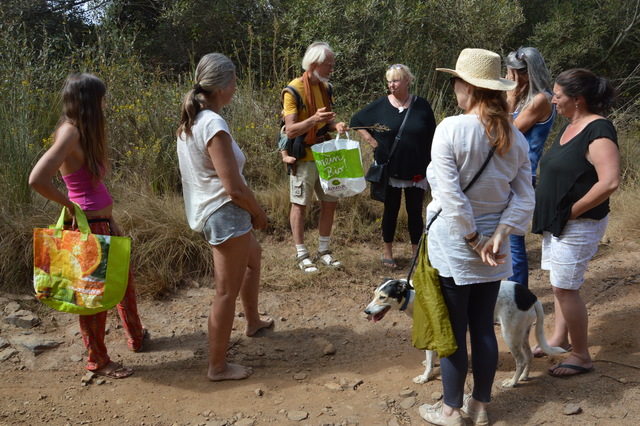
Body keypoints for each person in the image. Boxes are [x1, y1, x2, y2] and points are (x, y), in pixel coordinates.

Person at [419, 48, 535, 425]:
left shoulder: (451, 128)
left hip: (458, 245)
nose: (454, 88)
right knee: (483, 326)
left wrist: (473, 238)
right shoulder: (513, 136)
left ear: (467, 86)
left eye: (455, 81)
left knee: (454, 327)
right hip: (496, 251)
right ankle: (479, 406)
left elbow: (449, 195)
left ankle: (451, 410)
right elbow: (524, 195)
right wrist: (500, 234)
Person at [29, 73, 145, 379]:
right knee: (91, 297)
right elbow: (37, 178)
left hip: (102, 222)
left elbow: (92, 185)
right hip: (88, 227)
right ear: (90, 102)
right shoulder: (69, 133)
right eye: (102, 99)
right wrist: (69, 206)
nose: (105, 104)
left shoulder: (82, 131)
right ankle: (98, 360)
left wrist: (113, 220)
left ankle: (137, 336)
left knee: (123, 283)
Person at [176, 53, 273, 381]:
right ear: (225, 85)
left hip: (215, 213)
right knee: (224, 293)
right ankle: (217, 366)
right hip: (225, 214)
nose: (236, 87)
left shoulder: (193, 121)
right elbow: (233, 187)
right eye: (234, 81)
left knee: (254, 259)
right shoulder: (213, 124)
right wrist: (258, 212)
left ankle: (253, 321)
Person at [531, 68, 619, 376]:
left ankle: (581, 356)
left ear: (577, 99)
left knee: (566, 289)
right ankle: (559, 338)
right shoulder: (573, 125)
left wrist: (572, 211)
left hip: (577, 223)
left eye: (558, 95)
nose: (552, 100)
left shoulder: (599, 130)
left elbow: (609, 182)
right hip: (560, 221)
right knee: (559, 285)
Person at [350, 64, 436, 268]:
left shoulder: (421, 105)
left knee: (415, 211)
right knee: (391, 210)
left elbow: (432, 136)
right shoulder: (381, 104)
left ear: (407, 81)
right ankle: (387, 253)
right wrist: (372, 142)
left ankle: (416, 253)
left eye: (396, 80)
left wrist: (432, 164)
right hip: (390, 169)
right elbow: (356, 120)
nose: (391, 85)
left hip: (416, 168)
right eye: (389, 81)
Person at [280, 42, 347, 273]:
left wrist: (334, 124)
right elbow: (290, 130)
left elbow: (325, 122)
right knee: (299, 204)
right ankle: (301, 254)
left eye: (332, 65)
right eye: (328, 64)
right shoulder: (293, 90)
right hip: (303, 155)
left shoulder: (326, 88)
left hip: (324, 154)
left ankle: (324, 251)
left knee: (331, 202)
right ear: (313, 63)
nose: (331, 69)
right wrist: (313, 119)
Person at [505, 46, 556, 287]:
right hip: (510, 172)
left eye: (514, 73)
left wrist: (510, 97)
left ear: (527, 73)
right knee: (503, 237)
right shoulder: (530, 96)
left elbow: (507, 133)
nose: (510, 78)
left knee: (513, 238)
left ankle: (517, 299)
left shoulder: (540, 99)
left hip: (521, 174)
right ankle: (505, 294)